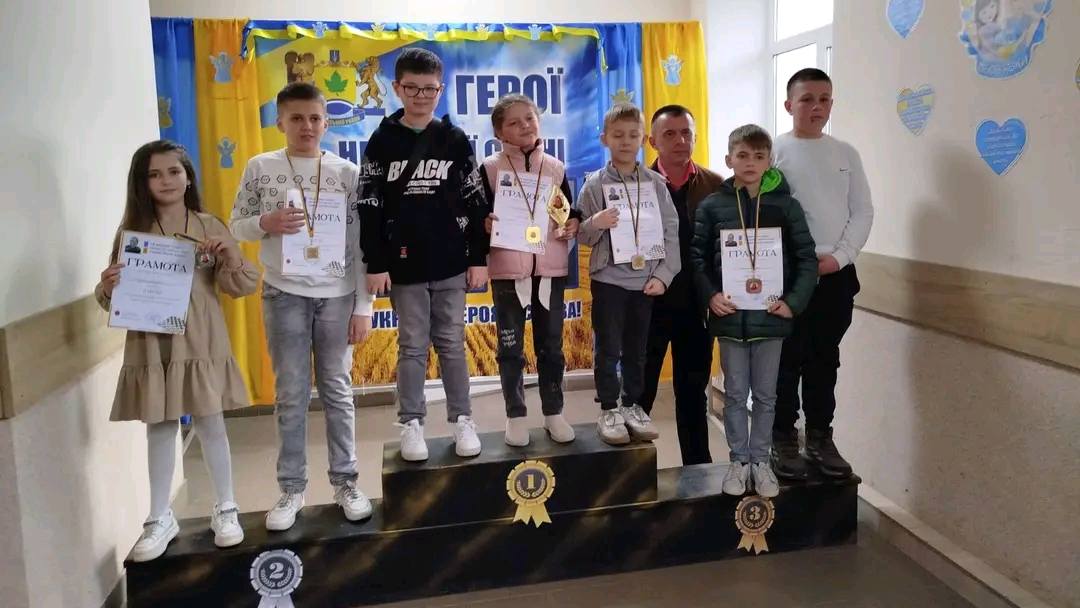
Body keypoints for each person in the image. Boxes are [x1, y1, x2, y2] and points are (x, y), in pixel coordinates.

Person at [96, 140, 259, 561]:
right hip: (152, 344)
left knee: (211, 422)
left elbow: (240, 286)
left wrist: (230, 254)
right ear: (142, 183)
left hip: (201, 339)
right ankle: (159, 516)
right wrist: (107, 286)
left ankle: (226, 507)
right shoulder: (132, 234)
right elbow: (111, 298)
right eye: (154, 174)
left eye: (173, 171)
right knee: (160, 425)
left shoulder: (209, 225)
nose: (165, 180)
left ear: (188, 176)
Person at [230, 82, 374, 531]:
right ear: (280, 122)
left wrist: (364, 306)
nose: (306, 126)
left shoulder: (347, 173)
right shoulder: (261, 167)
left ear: (326, 122)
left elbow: (361, 242)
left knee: (337, 391)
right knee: (291, 394)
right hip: (284, 293)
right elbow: (236, 226)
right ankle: (291, 489)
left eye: (314, 118)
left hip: (337, 295)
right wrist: (265, 222)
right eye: (296, 118)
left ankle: (346, 483)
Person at [357, 48, 489, 461]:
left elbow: (475, 200)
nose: (420, 96)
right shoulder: (382, 140)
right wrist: (376, 262)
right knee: (412, 345)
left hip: (451, 261)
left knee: (452, 344)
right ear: (397, 88)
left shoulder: (454, 139)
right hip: (404, 265)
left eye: (429, 89)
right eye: (412, 88)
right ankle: (411, 422)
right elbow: (369, 203)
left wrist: (478, 257)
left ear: (440, 90)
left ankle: (462, 419)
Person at [691, 124, 817, 497]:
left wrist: (792, 303)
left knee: (765, 396)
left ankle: (761, 461)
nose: (750, 163)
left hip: (771, 319)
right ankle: (738, 461)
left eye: (759, 156)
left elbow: (806, 259)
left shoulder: (786, 206)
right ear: (729, 159)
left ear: (769, 161)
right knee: (734, 395)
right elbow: (697, 259)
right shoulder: (712, 206)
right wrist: (710, 296)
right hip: (730, 317)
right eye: (742, 155)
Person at [772, 68, 874, 480]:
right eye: (807, 99)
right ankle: (783, 437)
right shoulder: (774, 151)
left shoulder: (846, 153)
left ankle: (819, 437)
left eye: (824, 99)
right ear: (789, 105)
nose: (817, 107)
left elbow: (862, 211)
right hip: (787, 277)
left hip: (834, 276)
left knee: (824, 360)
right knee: (784, 360)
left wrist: (840, 257)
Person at [479, 93, 581, 447]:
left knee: (551, 346)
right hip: (509, 271)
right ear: (498, 132)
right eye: (514, 122)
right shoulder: (489, 169)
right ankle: (516, 415)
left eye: (530, 118)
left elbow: (567, 212)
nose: (524, 125)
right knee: (510, 348)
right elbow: (477, 215)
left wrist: (572, 224)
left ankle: (554, 412)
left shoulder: (555, 167)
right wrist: (484, 223)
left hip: (549, 269)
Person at [577, 103, 680, 446]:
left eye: (633, 135)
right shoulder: (594, 185)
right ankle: (609, 408)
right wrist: (596, 222)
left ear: (644, 139)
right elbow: (582, 235)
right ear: (604, 138)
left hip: (645, 282)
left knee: (638, 350)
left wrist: (664, 275)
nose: (625, 141)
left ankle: (633, 405)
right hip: (609, 281)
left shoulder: (656, 184)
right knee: (608, 349)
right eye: (618, 135)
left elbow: (671, 232)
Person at [640, 104, 725, 465]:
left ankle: (698, 471)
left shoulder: (717, 186)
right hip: (648, 307)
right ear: (653, 141)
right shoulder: (636, 186)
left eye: (686, 132)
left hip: (696, 308)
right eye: (670, 134)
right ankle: (631, 476)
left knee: (692, 395)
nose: (680, 140)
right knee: (639, 395)